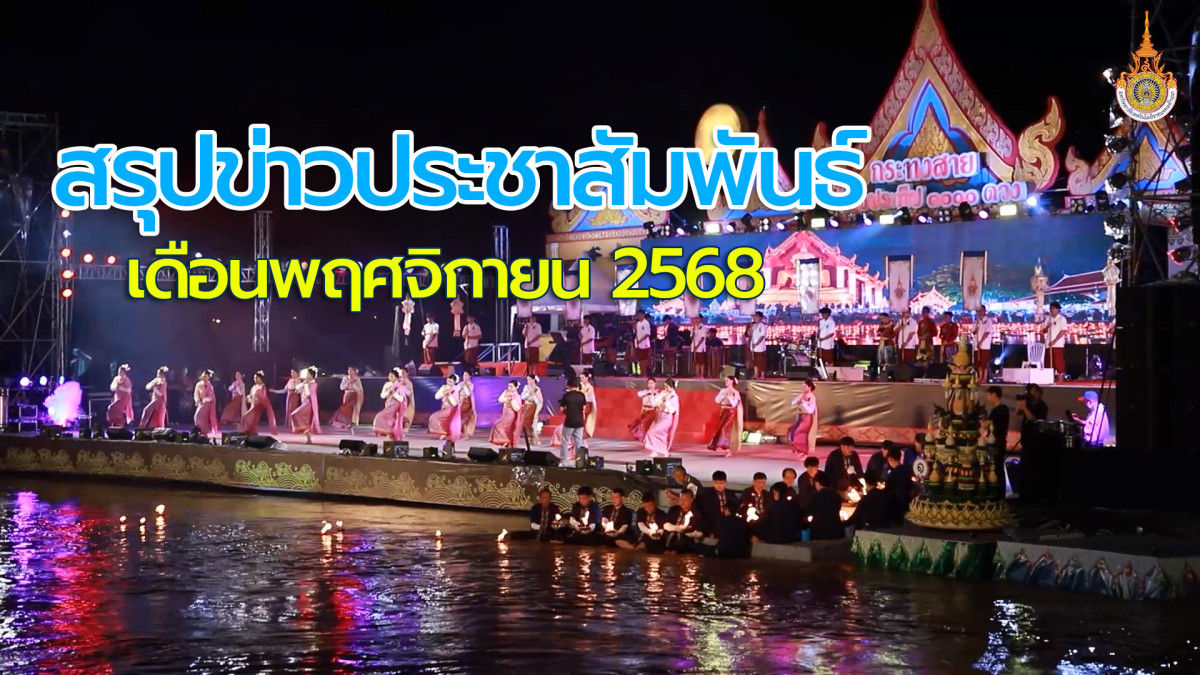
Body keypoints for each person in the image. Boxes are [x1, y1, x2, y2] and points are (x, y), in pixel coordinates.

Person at [642, 378, 679, 457]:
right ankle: (658, 451)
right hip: (660, 416)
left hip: (667, 418)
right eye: (665, 386)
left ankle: (660, 450)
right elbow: (656, 403)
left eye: (667, 387)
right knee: (659, 434)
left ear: (671, 387)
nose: (665, 388)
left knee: (653, 432)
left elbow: (672, 410)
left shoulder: (674, 396)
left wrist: (666, 402)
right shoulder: (663, 393)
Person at [707, 375, 743, 457]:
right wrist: (723, 395)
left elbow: (734, 404)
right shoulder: (723, 390)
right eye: (725, 380)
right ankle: (726, 448)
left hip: (730, 413)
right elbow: (717, 400)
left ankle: (728, 450)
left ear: (732, 381)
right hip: (723, 412)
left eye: (727, 380)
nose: (725, 381)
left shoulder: (735, 392)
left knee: (725, 430)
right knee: (722, 430)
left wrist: (730, 398)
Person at [985, 386, 1010, 495]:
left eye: (988, 395)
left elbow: (987, 425)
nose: (987, 398)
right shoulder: (1005, 409)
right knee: (999, 467)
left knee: (995, 467)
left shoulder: (997, 410)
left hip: (996, 443)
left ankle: (997, 493)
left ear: (994, 395)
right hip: (1001, 441)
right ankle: (1000, 493)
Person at [429, 374, 463, 450]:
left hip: (451, 410)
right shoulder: (444, 387)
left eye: (451, 381)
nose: (449, 382)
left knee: (439, 419)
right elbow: (437, 396)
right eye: (448, 380)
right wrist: (444, 392)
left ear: (454, 382)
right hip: (444, 408)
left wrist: (449, 395)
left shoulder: (455, 390)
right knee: (435, 418)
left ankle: (448, 436)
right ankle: (444, 433)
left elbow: (454, 403)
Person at [557, 379, 588, 463]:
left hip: (569, 421)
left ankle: (563, 461)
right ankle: (579, 461)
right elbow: (584, 408)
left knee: (565, 441)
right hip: (579, 421)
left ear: (568, 386)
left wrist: (566, 412)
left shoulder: (566, 396)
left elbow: (561, 409)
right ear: (577, 386)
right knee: (579, 442)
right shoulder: (582, 395)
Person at [807, 473, 845, 540]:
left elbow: (809, 511)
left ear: (818, 483)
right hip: (835, 528)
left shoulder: (814, 496)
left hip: (819, 530)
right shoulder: (836, 496)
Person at [373, 368, 407, 441]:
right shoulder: (387, 384)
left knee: (381, 417)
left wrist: (394, 393)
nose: (390, 377)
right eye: (389, 376)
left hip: (396, 406)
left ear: (396, 377)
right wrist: (389, 392)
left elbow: (401, 399)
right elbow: (382, 396)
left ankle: (392, 433)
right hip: (388, 404)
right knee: (385, 419)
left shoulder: (400, 386)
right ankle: (391, 434)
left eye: (392, 376)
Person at [787, 378, 818, 457]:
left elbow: (811, 410)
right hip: (800, 417)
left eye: (805, 386)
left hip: (808, 418)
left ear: (809, 387)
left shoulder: (811, 397)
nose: (803, 388)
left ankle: (804, 452)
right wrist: (797, 401)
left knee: (800, 433)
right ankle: (800, 450)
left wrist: (804, 403)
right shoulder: (802, 395)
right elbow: (792, 403)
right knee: (793, 432)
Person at [289, 367, 321, 442]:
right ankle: (308, 437)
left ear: (311, 375)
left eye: (307, 374)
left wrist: (305, 384)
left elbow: (308, 394)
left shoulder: (314, 384)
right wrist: (301, 383)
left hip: (308, 405)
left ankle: (306, 435)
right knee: (299, 418)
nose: (306, 376)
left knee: (296, 415)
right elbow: (297, 389)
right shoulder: (306, 383)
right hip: (304, 404)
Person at [883, 446, 915, 521]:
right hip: (909, 503)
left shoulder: (893, 474)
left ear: (890, 459)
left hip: (897, 506)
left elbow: (887, 491)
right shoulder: (908, 470)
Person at [1040, 301, 1068, 381]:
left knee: (1058, 361)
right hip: (1048, 344)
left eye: (1053, 308)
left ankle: (1060, 377)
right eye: (1051, 309)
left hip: (1057, 344)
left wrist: (1054, 341)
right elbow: (1043, 331)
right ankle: (1050, 377)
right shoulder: (1048, 319)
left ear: (1058, 309)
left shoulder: (1062, 319)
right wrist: (1047, 327)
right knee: (1049, 361)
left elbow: (1063, 331)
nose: (1052, 310)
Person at [489, 380, 522, 448]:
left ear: (516, 387)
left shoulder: (517, 396)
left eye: (511, 386)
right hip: (505, 413)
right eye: (509, 386)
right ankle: (507, 442)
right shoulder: (506, 392)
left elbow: (517, 408)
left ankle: (506, 441)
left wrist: (512, 400)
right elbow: (500, 399)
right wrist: (507, 399)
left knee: (500, 426)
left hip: (510, 414)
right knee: (503, 428)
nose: (509, 388)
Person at [627, 377, 659, 442]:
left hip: (652, 413)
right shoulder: (645, 392)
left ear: (655, 384)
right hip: (644, 412)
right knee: (639, 426)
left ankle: (648, 440)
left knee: (645, 426)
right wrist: (650, 392)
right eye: (649, 383)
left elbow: (653, 404)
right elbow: (639, 394)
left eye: (652, 383)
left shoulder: (657, 394)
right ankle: (645, 440)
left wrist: (652, 394)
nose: (651, 385)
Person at [740, 472, 770, 539]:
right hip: (751, 520)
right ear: (754, 482)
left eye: (763, 482)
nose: (761, 485)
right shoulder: (747, 492)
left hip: (763, 520)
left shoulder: (766, 494)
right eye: (759, 482)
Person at [518, 374, 543, 445]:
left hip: (533, 407)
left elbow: (540, 400)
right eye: (527, 379)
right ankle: (529, 437)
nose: (528, 381)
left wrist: (537, 410)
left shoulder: (537, 389)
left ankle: (534, 438)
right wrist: (529, 393)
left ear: (533, 380)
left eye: (529, 379)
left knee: (532, 423)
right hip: (526, 406)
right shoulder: (526, 387)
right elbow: (522, 396)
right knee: (525, 423)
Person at [973, 306, 995, 382]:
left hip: (985, 344)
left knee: (984, 362)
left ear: (985, 311)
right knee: (978, 361)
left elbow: (987, 332)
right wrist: (975, 330)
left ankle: (984, 377)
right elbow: (973, 332)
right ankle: (980, 376)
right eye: (978, 311)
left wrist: (981, 342)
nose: (980, 312)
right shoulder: (976, 321)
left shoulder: (988, 320)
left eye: (981, 311)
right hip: (977, 344)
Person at [457, 371, 477, 439]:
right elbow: (456, 390)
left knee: (466, 418)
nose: (464, 377)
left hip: (467, 402)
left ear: (469, 376)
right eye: (464, 375)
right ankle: (461, 433)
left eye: (466, 375)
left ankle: (467, 434)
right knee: (460, 417)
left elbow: (468, 393)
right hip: (460, 402)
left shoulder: (471, 384)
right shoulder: (460, 383)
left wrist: (464, 386)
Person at [748, 311, 768, 379]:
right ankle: (756, 374)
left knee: (760, 361)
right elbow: (749, 334)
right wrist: (750, 327)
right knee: (755, 361)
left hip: (760, 347)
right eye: (754, 316)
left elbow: (762, 336)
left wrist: (756, 343)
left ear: (760, 317)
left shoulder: (763, 326)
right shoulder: (753, 326)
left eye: (756, 316)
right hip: (753, 346)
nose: (755, 318)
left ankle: (762, 374)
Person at [633, 310, 653, 376]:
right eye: (638, 315)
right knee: (640, 359)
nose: (639, 316)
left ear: (643, 315)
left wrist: (640, 340)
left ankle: (644, 373)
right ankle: (642, 372)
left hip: (644, 344)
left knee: (644, 359)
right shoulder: (638, 323)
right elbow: (636, 332)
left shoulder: (646, 323)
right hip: (638, 344)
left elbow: (647, 334)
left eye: (640, 315)